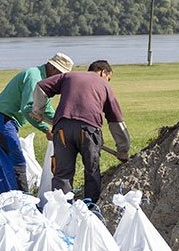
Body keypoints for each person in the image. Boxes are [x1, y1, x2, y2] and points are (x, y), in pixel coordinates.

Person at [31, 59, 131, 205]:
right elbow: (115, 119)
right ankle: (89, 210)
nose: (108, 81)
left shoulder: (68, 76)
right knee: (92, 171)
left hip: (62, 129)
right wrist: (123, 149)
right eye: (109, 78)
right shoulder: (104, 85)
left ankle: (61, 211)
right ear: (103, 72)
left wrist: (37, 110)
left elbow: (41, 86)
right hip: (89, 130)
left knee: (62, 174)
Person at [0, 52, 74, 193]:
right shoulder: (34, 77)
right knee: (16, 161)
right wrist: (46, 129)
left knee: (4, 162)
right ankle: (22, 200)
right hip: (2, 119)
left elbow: (46, 107)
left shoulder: (43, 79)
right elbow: (29, 108)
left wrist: (61, 121)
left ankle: (6, 198)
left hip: (3, 119)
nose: (60, 79)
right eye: (60, 75)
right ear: (53, 68)